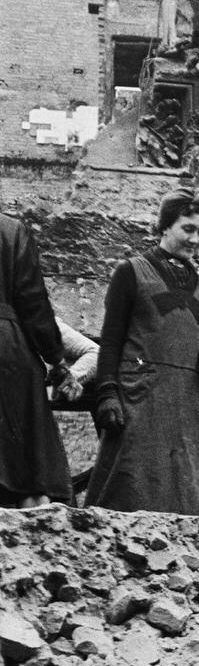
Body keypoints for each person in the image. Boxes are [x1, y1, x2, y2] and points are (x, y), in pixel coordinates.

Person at [86, 189, 199, 523]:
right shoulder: (131, 272)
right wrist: (107, 391)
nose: (195, 239)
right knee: (131, 490)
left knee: (190, 497)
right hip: (140, 398)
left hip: (187, 403)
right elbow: (111, 340)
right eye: (187, 229)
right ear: (165, 227)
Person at [0, 213, 69, 506]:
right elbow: (33, 302)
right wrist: (56, 358)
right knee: (25, 478)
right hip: (7, 355)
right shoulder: (11, 230)